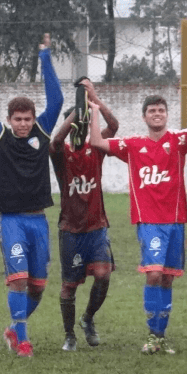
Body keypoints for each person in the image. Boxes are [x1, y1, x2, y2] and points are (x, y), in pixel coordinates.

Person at [0, 34, 63, 358]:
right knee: (18, 280)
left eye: (27, 119)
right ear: (9, 119)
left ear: (34, 120)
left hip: (38, 221)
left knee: (38, 286)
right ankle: (23, 341)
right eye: (17, 119)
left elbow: (57, 99)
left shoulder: (42, 133)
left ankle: (13, 328)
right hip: (12, 222)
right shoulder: (0, 136)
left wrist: (45, 56)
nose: (22, 124)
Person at [89, 95, 187, 354]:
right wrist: (94, 109)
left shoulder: (178, 141)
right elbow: (97, 141)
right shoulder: (133, 145)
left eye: (161, 110)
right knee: (154, 274)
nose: (157, 114)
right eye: (152, 110)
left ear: (166, 115)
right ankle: (152, 335)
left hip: (176, 221)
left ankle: (160, 335)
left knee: (167, 279)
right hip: (149, 222)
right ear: (144, 117)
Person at [49, 77, 118, 352]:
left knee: (103, 274)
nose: (78, 131)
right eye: (74, 127)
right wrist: (76, 113)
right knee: (69, 286)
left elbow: (114, 127)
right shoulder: (61, 154)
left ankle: (88, 319)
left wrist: (94, 101)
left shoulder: (96, 149)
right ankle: (69, 335)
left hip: (96, 226)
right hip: (71, 229)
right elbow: (55, 140)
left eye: (82, 125)